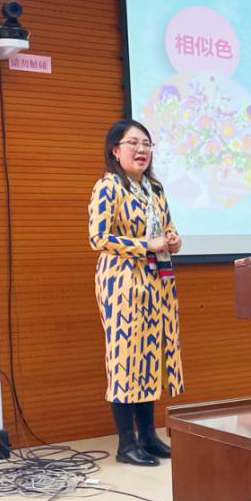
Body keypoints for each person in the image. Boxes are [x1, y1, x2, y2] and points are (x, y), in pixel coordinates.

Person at [88, 120, 184, 466]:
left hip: (156, 280)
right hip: (122, 283)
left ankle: (148, 437)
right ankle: (126, 444)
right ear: (116, 150)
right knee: (125, 359)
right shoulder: (108, 186)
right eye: (133, 143)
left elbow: (168, 230)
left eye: (146, 143)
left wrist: (173, 240)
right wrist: (145, 245)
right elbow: (98, 238)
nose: (141, 149)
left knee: (148, 357)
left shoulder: (154, 188)